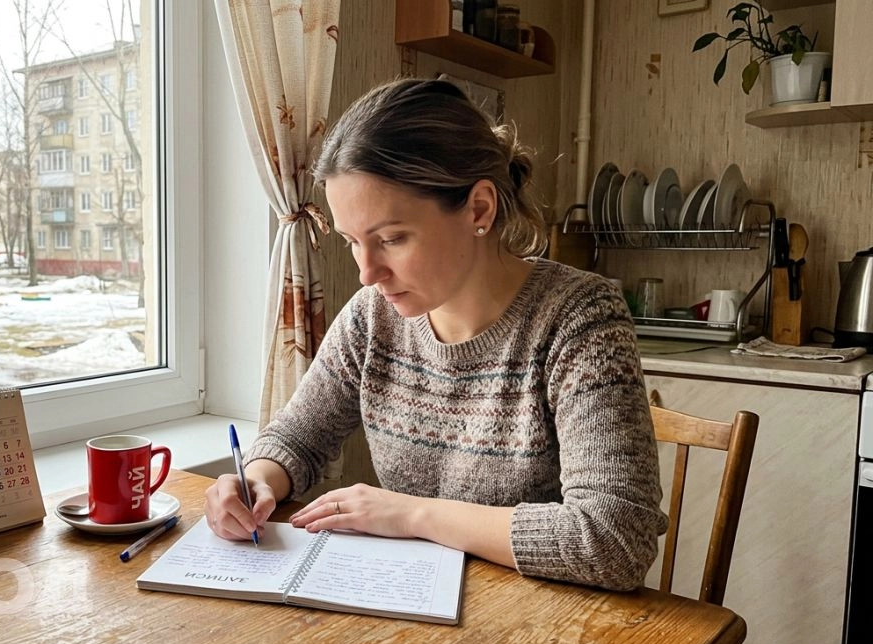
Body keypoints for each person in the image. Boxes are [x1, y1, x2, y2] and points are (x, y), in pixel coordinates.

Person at [205, 77, 667, 592]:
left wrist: (412, 515)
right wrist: (255, 481)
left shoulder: (580, 318)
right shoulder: (372, 318)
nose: (367, 273)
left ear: (479, 209)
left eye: (392, 239)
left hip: (548, 631)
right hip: (414, 615)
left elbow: (616, 541)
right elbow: (297, 438)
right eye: (353, 242)